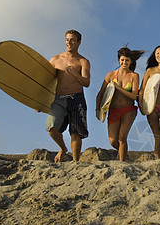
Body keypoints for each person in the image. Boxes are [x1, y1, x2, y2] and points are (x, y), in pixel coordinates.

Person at [46, 30, 90, 163]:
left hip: (76, 98)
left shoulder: (83, 61)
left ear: (78, 42)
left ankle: (75, 162)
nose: (68, 42)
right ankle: (63, 148)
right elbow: (46, 81)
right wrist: (40, 100)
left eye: (72, 40)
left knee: (75, 132)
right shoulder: (55, 59)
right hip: (58, 99)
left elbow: (86, 82)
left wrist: (74, 74)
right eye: (67, 39)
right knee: (51, 127)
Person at [95, 46, 144, 161]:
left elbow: (133, 95)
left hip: (128, 110)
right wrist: (97, 110)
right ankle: (124, 153)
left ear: (131, 61)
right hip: (113, 110)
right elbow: (100, 94)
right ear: (118, 60)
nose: (124, 62)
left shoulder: (134, 76)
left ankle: (122, 163)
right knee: (113, 141)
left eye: (127, 60)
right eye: (122, 60)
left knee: (122, 137)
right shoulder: (110, 75)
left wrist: (118, 88)